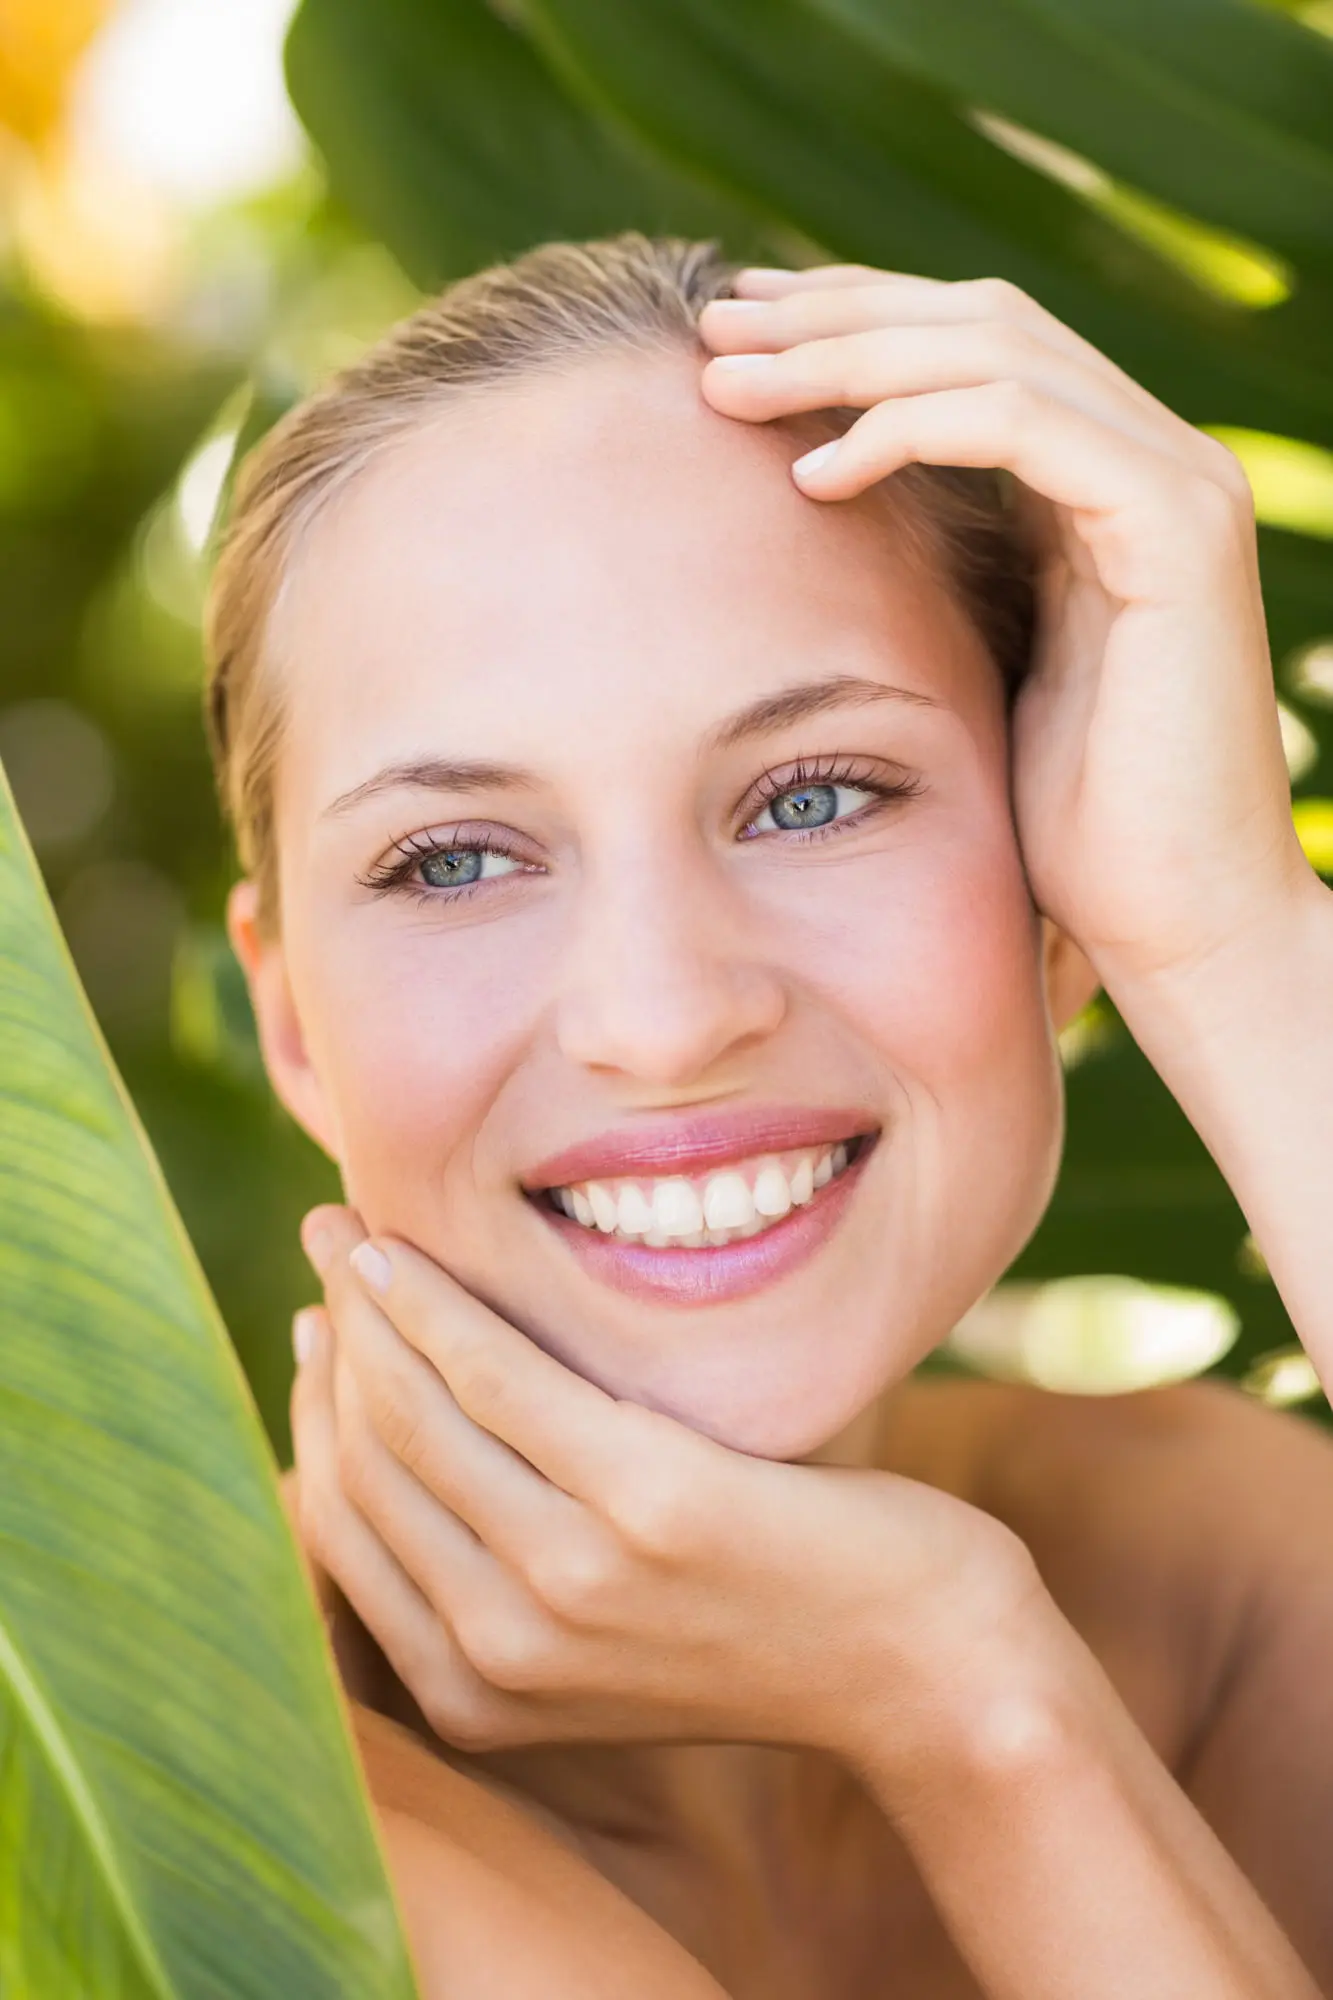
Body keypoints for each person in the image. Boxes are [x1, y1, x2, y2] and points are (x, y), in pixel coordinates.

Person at [207, 234, 1333, 1999]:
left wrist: (1232, 939)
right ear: (291, 1019)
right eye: (454, 861)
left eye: (813, 797)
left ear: (1053, 900)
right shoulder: (204, 1802)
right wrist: (969, 1692)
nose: (664, 1022)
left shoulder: (1228, 1567)